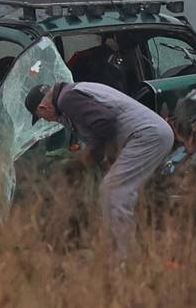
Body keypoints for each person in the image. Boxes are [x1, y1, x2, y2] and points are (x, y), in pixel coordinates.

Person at [24, 82, 174, 259]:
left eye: (41, 116)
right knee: (126, 193)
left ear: (43, 107)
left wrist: (91, 155)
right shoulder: (72, 92)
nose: (47, 120)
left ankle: (123, 260)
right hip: (149, 135)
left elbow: (105, 123)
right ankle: (143, 249)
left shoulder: (68, 99)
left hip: (146, 136)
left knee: (114, 191)